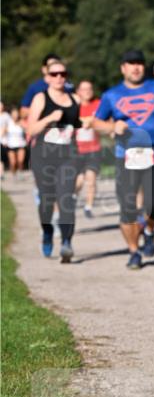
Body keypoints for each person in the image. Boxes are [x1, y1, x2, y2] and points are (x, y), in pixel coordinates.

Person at [93, 50, 154, 270]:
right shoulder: (111, 94)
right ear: (123, 68)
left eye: (139, 63)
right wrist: (112, 126)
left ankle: (147, 229)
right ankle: (133, 251)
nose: (135, 67)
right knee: (127, 208)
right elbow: (97, 122)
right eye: (131, 63)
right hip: (126, 156)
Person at [26, 60, 80, 261]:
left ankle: (67, 242)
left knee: (67, 199)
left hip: (68, 157)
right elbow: (30, 130)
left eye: (63, 74)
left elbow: (77, 127)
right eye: (54, 74)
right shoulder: (41, 98)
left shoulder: (75, 99)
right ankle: (47, 231)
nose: (59, 77)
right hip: (43, 157)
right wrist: (49, 119)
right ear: (47, 77)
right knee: (47, 201)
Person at [74, 80, 102, 218]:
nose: (87, 91)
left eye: (89, 88)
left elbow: (105, 121)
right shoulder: (73, 106)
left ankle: (88, 207)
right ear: (78, 91)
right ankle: (74, 196)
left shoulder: (98, 104)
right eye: (84, 89)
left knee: (91, 179)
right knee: (78, 181)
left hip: (93, 149)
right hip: (76, 150)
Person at [20, 53, 74, 121]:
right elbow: (22, 112)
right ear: (44, 69)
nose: (55, 69)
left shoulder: (68, 87)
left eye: (56, 64)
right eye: (50, 65)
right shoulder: (35, 87)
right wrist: (45, 112)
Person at [1, 105, 28, 176]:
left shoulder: (21, 122)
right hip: (11, 145)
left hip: (21, 144)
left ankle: (20, 173)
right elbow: (3, 134)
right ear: (11, 115)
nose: (15, 115)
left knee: (20, 161)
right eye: (13, 114)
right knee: (13, 162)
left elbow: (28, 131)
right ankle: (13, 174)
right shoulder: (8, 124)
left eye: (16, 114)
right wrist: (4, 142)